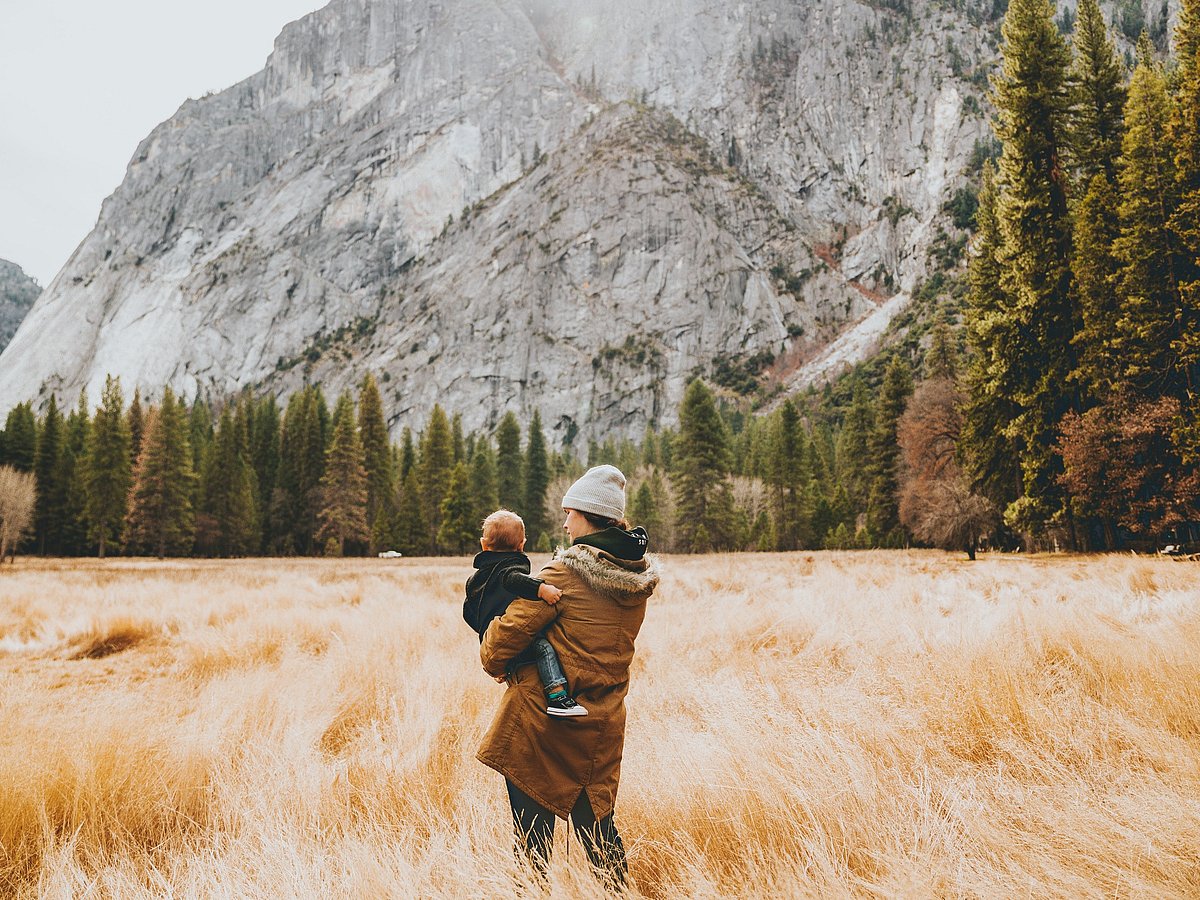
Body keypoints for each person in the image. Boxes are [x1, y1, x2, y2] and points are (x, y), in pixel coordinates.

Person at [477, 464, 659, 887]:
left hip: (542, 726)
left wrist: (500, 657)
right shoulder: (635, 579)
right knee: (600, 838)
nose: (564, 523)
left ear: (589, 517)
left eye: (569, 513)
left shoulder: (564, 575)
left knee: (532, 848)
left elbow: (498, 647)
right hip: (601, 725)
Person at [462, 509, 587, 717]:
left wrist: (486, 630)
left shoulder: (475, 580)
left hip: (491, 639)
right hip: (511, 637)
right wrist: (541, 589)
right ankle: (557, 696)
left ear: (484, 545)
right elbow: (513, 579)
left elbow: (468, 612)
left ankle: (506, 668)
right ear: (522, 544)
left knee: (518, 667)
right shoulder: (508, 568)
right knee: (543, 648)